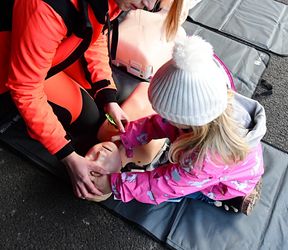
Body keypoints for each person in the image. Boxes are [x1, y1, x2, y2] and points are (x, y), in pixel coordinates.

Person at [0, 0, 185, 200]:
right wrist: (68, 157)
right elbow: (25, 89)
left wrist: (108, 96)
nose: (148, 7)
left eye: (156, 2)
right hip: (10, 70)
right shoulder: (46, 8)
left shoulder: (113, 2)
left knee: (94, 111)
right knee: (88, 117)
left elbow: (95, 35)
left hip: (46, 51)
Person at [87, 35, 267, 215]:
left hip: (225, 180)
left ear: (187, 121)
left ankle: (235, 198)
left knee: (178, 193)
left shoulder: (203, 162)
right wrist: (130, 135)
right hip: (229, 165)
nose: (98, 154)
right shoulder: (206, 109)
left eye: (167, 114)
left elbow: (162, 186)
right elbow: (160, 123)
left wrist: (114, 183)